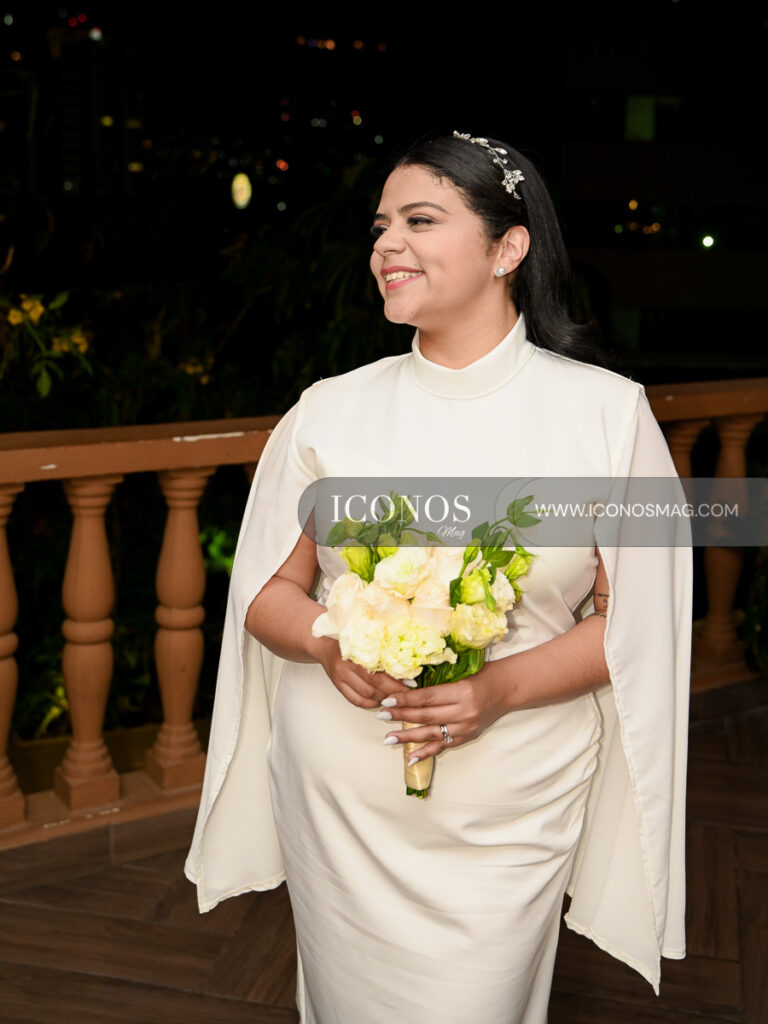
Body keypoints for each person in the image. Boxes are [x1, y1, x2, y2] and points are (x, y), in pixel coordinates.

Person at [185, 133, 692, 1024]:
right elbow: (265, 595)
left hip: (512, 801)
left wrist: (495, 688)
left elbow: (633, 621)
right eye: (381, 226)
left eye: (421, 220)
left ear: (509, 247)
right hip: (342, 795)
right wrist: (327, 639)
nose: (387, 245)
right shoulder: (329, 410)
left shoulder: (606, 417)